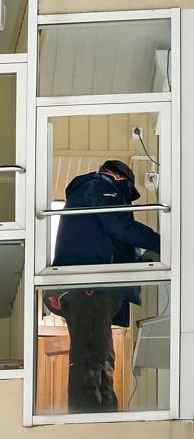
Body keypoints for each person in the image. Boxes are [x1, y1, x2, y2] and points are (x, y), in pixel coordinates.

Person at [51, 159, 160, 413]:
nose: (126, 203)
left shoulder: (89, 190)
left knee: (101, 354)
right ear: (121, 179)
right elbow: (120, 226)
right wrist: (164, 242)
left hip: (89, 285)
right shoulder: (100, 185)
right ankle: (89, 419)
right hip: (89, 284)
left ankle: (104, 415)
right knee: (92, 355)